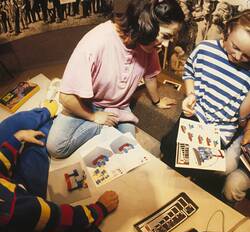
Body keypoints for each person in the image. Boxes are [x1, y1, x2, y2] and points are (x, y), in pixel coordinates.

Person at [47, 0, 185, 159]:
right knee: (55, 147)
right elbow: (66, 97)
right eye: (165, 36)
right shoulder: (96, 42)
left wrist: (156, 101)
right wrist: (94, 118)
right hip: (87, 105)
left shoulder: (150, 45)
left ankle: (110, 125)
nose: (166, 45)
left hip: (120, 108)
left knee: (129, 154)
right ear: (146, 24)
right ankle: (104, 128)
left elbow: (150, 76)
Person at [160, 10, 250, 202]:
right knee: (169, 147)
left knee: (206, 173)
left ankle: (190, 191)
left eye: (246, 56)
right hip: (195, 115)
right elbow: (189, 72)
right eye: (235, 47)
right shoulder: (205, 49)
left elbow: (243, 113)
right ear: (227, 31)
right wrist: (190, 94)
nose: (237, 56)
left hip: (220, 131)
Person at [0, 102, 119, 232]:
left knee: (28, 136)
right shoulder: (18, 210)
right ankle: (51, 119)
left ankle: (48, 115)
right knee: (39, 144)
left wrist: (17, 138)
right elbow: (63, 218)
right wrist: (100, 209)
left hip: (11, 189)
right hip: (24, 209)